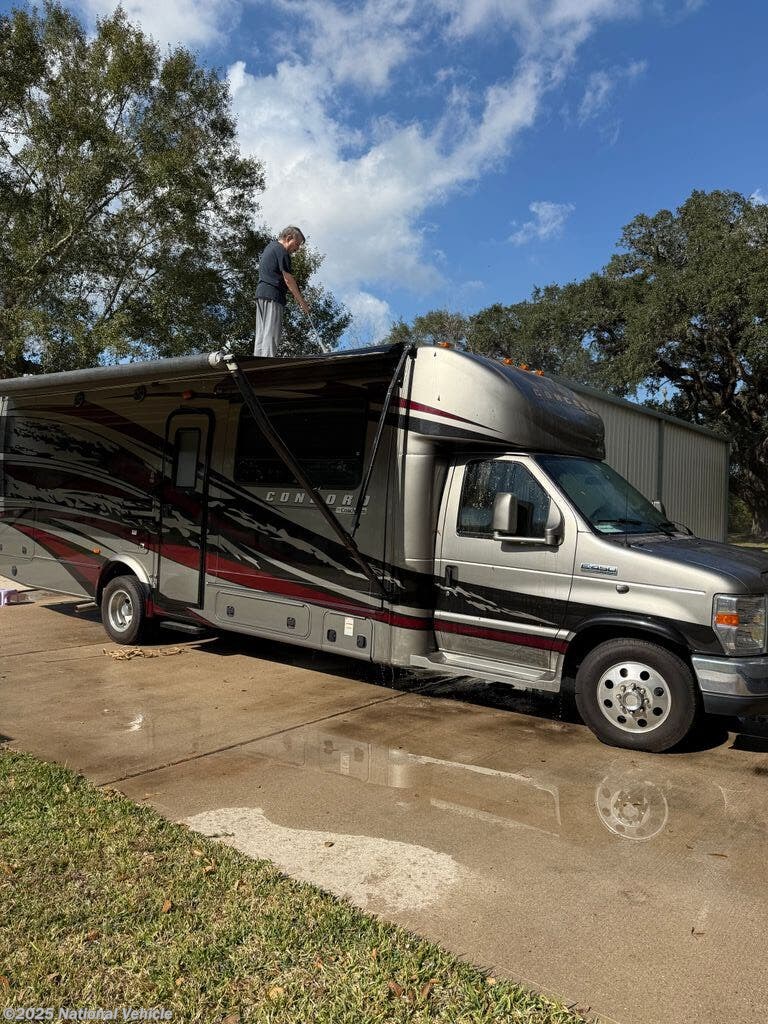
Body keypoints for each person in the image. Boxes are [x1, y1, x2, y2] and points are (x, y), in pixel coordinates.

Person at [253, 226, 311, 356]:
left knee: (261, 335)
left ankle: (256, 367)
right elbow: (288, 279)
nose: (297, 249)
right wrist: (302, 303)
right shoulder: (282, 251)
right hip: (273, 295)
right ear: (288, 238)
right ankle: (267, 367)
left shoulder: (270, 247)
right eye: (296, 244)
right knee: (271, 334)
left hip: (261, 295)